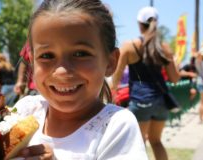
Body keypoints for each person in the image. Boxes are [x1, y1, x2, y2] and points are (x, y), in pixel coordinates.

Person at [13, 0, 147, 159]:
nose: (62, 71)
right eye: (47, 55)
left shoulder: (116, 125)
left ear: (110, 62)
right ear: (32, 61)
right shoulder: (25, 111)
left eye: (80, 54)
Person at [112, 6, 180, 160]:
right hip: (161, 101)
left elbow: (115, 77)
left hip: (140, 101)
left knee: (138, 145)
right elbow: (175, 79)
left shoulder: (130, 47)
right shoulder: (164, 47)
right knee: (156, 141)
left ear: (139, 24)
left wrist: (111, 96)